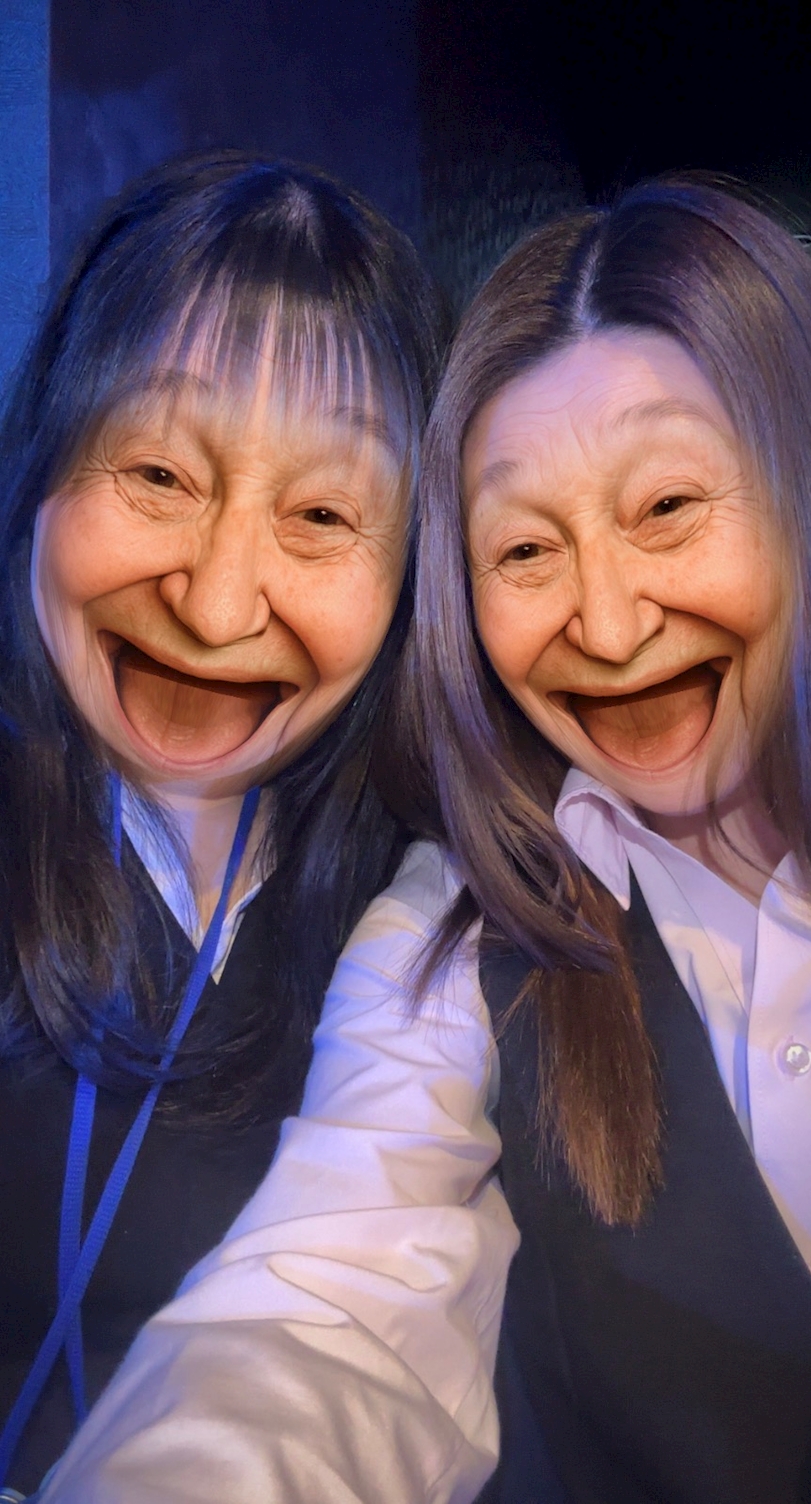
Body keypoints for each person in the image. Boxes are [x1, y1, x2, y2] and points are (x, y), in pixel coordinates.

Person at [0, 149, 518, 1502]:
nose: (219, 603)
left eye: (324, 514)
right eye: (159, 474)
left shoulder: (439, 918)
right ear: (41, 463)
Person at [399, 177, 811, 1502]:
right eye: (526, 551)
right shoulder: (457, 935)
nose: (605, 623)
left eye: (666, 508)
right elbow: (326, 1307)